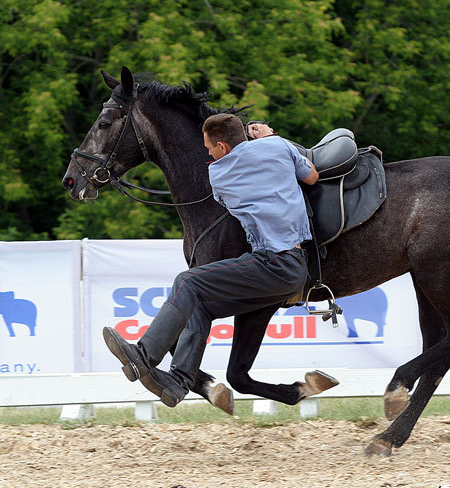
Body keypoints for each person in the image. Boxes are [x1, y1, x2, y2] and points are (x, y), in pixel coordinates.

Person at [103, 113, 319, 407]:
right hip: (292, 265)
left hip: (274, 263)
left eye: (209, 148)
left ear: (222, 148)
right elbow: (311, 176)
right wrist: (269, 138)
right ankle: (179, 381)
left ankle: (144, 356)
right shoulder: (279, 146)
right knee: (198, 307)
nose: (208, 153)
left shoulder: (219, 175)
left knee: (187, 281)